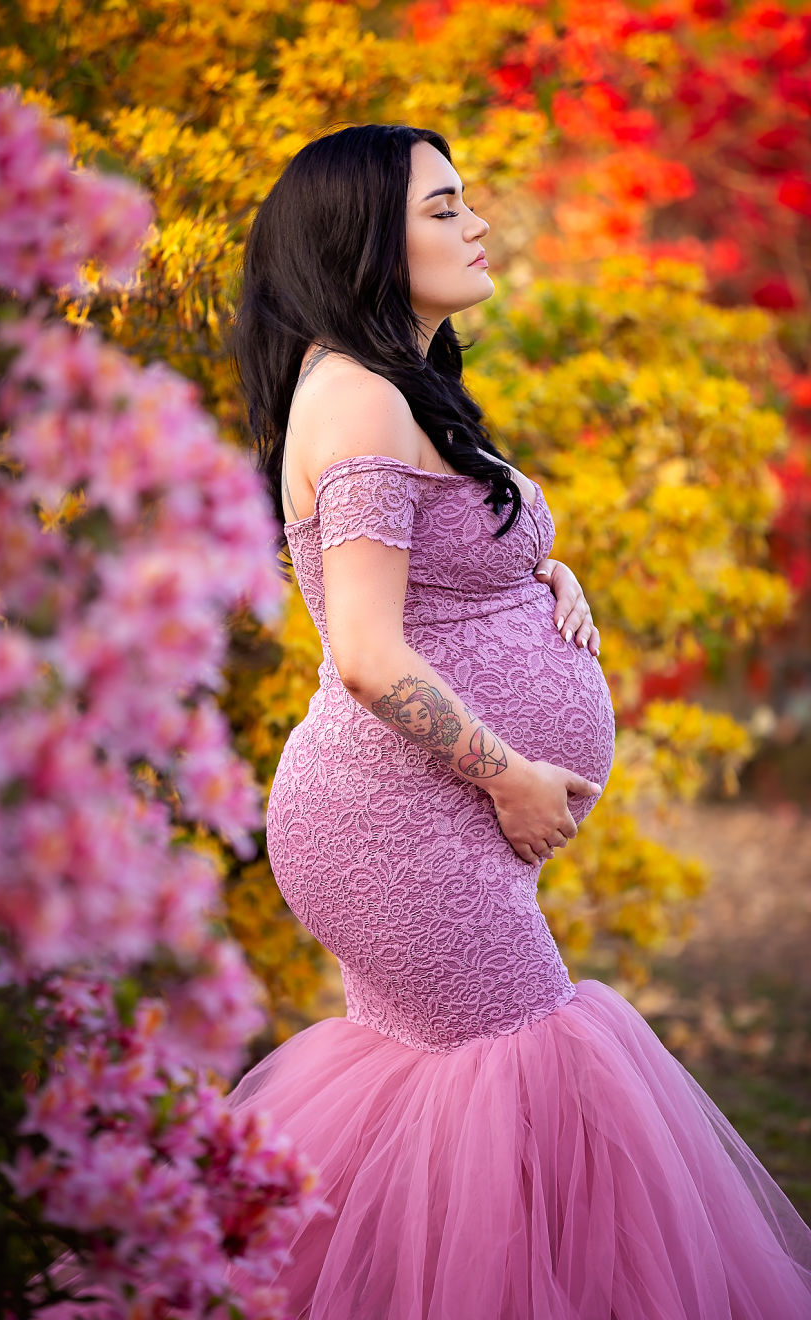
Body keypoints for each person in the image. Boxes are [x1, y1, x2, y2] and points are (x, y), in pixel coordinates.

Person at [228, 124, 811, 1319]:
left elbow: (433, 576)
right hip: (402, 824)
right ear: (361, 241)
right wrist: (507, 776)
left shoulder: (401, 393)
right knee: (530, 1074)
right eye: (443, 209)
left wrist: (537, 574)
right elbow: (368, 653)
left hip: (424, 823)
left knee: (452, 1112)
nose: (477, 225)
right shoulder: (350, 400)